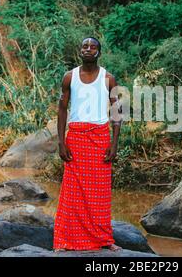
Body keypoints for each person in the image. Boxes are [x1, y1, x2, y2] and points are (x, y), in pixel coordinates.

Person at [53, 37, 123, 252]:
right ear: (79, 51)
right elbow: (62, 109)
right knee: (71, 192)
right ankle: (64, 240)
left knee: (100, 192)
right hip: (76, 137)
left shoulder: (108, 79)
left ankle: (104, 240)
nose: (89, 49)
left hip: (100, 137)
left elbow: (117, 111)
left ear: (99, 52)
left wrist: (114, 143)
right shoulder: (69, 77)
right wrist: (61, 141)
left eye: (93, 47)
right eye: (85, 46)